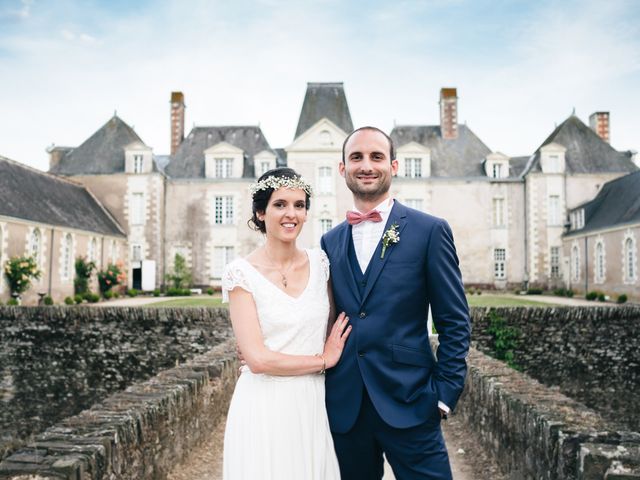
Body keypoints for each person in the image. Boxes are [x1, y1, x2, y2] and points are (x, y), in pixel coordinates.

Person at [320, 126, 471, 480]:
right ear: (342, 169)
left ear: (394, 165)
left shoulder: (429, 230)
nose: (366, 165)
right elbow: (323, 319)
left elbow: (455, 320)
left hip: (413, 402)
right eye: (356, 157)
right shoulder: (330, 241)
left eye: (376, 156)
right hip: (346, 408)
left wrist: (443, 395)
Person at [221, 167, 351, 480]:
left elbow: (334, 327)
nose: (290, 213)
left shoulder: (322, 264)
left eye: (299, 205)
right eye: (280, 204)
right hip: (263, 404)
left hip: (313, 401)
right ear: (260, 212)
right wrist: (323, 360)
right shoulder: (240, 274)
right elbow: (258, 359)